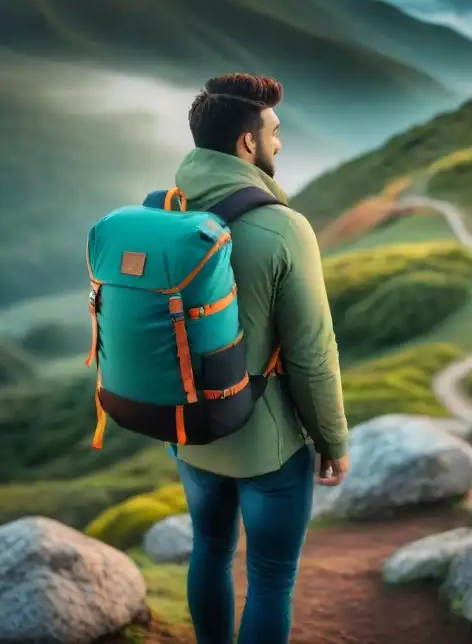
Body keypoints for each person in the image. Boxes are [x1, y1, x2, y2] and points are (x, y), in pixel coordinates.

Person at [169, 73, 350, 644]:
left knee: (210, 552)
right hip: (265, 444)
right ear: (248, 143)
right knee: (271, 579)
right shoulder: (283, 228)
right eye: (274, 131)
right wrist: (333, 440)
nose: (279, 142)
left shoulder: (168, 209)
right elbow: (312, 355)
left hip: (191, 430)